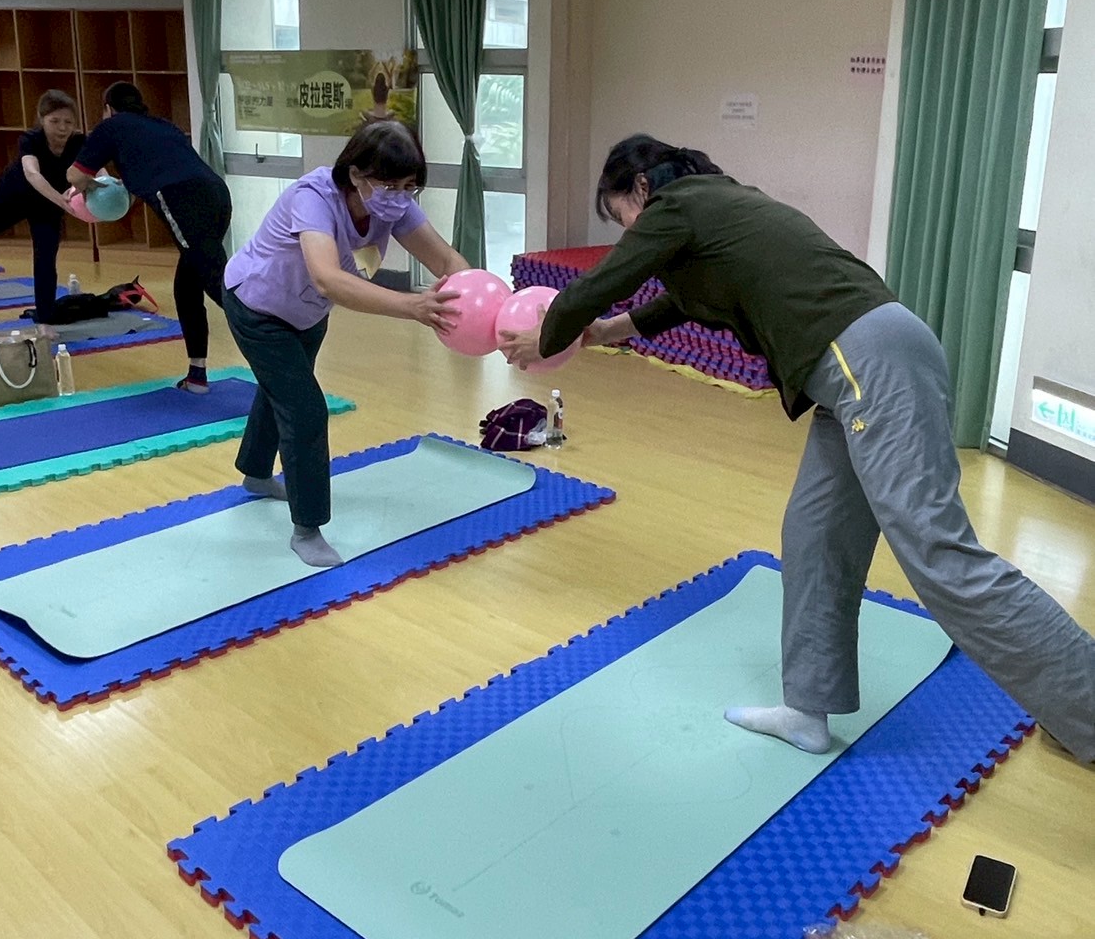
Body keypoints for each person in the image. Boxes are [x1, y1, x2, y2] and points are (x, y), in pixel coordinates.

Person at [499, 133, 1095, 764]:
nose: (626, 229)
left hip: (869, 361)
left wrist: (547, 337)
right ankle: (807, 711)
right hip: (853, 369)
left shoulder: (678, 205)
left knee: (939, 554)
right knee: (815, 532)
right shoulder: (717, 207)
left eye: (620, 214)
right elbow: (682, 301)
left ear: (641, 187)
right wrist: (606, 333)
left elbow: (603, 280)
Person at [223, 120, 467, 569]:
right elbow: (328, 277)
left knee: (283, 390)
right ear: (355, 174)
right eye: (390, 184)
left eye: (409, 186)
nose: (400, 195)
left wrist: (479, 300)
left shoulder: (393, 207)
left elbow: (445, 258)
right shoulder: (314, 198)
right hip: (258, 305)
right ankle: (307, 529)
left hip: (307, 313)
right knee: (304, 409)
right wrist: (412, 306)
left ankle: (255, 474)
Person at [68, 82, 232, 393]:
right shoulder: (160, 126)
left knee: (217, 283)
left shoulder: (111, 126)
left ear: (108, 108)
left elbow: (75, 175)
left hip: (185, 200)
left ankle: (273, 340)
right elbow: (146, 182)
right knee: (187, 287)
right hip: (218, 194)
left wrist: (85, 190)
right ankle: (197, 376)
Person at [0, 89, 85, 326]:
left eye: (68, 122)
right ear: (42, 119)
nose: (62, 128)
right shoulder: (30, 139)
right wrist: (61, 200)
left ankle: (45, 318)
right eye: (55, 121)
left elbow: (94, 170)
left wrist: (108, 186)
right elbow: (32, 174)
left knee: (46, 258)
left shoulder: (79, 142)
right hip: (14, 196)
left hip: (47, 205)